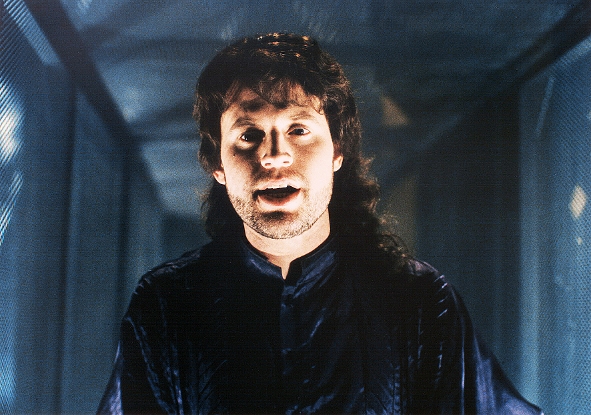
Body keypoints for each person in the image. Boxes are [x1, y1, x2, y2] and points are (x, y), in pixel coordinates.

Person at [98, 33, 541, 414]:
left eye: (299, 129)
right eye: (248, 134)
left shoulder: (420, 302)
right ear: (217, 164)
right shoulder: (166, 306)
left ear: (337, 152)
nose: (274, 155)